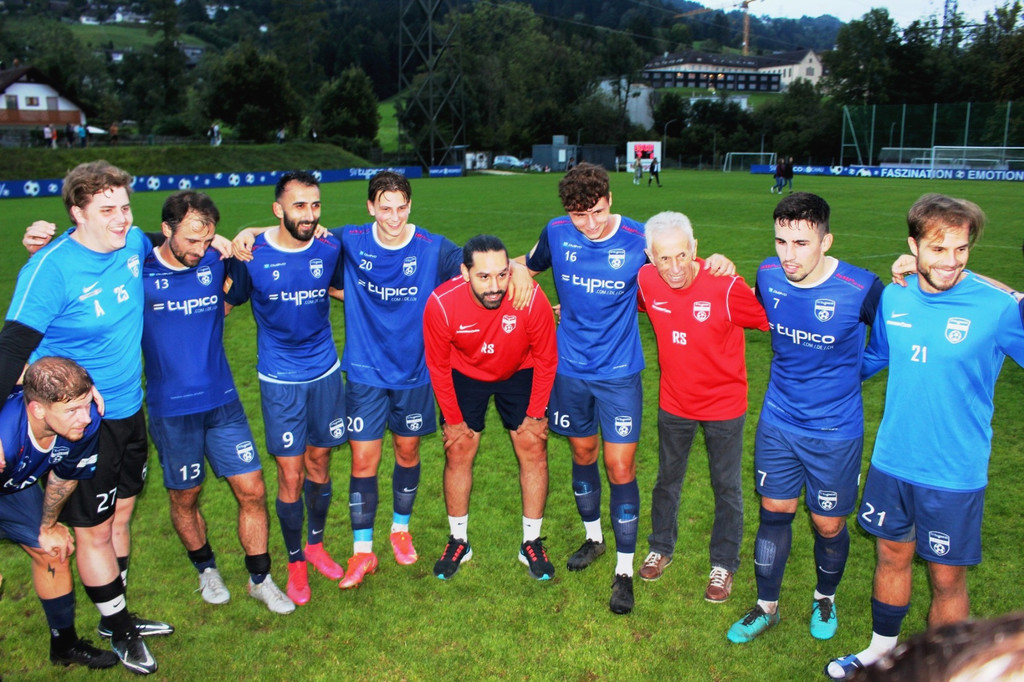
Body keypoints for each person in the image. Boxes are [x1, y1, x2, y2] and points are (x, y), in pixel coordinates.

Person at [513, 162, 734, 615]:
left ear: (610, 200)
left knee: (620, 466)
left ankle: (625, 569)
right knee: (583, 454)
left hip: (618, 373)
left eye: (597, 211)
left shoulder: (637, 239)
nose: (590, 224)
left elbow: (682, 271)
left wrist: (717, 263)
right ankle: (594, 538)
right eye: (579, 215)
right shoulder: (556, 232)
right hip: (570, 370)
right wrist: (503, 268)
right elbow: (525, 266)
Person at [232, 171, 466, 590]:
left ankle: (400, 529)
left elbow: (479, 265)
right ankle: (362, 552)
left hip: (415, 371)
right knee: (362, 462)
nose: (393, 217)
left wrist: (518, 271)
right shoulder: (348, 240)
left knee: (408, 452)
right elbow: (296, 232)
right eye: (385, 208)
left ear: (410, 206)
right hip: (363, 372)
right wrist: (248, 233)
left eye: (401, 208)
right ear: (370, 207)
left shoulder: (433, 246)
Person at [825, 194, 1024, 679]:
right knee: (890, 555)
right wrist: (818, 376)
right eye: (938, 249)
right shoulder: (895, 296)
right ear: (913, 246)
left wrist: (1013, 295)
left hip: (953, 472)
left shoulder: (997, 308)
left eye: (961, 249)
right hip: (892, 460)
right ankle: (880, 652)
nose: (952, 261)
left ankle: (948, 670)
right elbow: (875, 357)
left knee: (946, 578)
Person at [4, 161, 172, 675]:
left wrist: (234, 239)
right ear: (77, 213)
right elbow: (10, 351)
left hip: (130, 408)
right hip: (82, 424)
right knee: (93, 531)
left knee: (120, 516)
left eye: (125, 207)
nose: (122, 219)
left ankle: (112, 614)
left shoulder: (131, 244)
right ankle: (120, 632)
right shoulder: (49, 270)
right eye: (107, 210)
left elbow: (158, 240)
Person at [727, 192, 883, 645]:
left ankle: (824, 597)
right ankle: (766, 607)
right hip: (778, 421)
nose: (788, 255)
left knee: (827, 522)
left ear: (825, 242)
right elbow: (751, 309)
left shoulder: (862, 288)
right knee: (774, 512)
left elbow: (883, 348)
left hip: (834, 431)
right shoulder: (768, 274)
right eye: (781, 241)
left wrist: (845, 378)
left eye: (800, 243)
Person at [141, 191, 294, 614]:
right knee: (185, 497)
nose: (200, 249)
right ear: (166, 230)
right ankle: (206, 568)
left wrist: (242, 234)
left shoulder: (215, 259)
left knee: (252, 489)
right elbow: (95, 246)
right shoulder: (137, 268)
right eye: (192, 239)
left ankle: (260, 579)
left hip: (222, 403)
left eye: (207, 239)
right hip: (172, 410)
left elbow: (278, 236)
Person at [224, 171, 347, 606]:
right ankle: (295, 563)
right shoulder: (251, 254)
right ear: (278, 209)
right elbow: (223, 303)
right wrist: (243, 234)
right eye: (299, 206)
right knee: (290, 475)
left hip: (326, 372)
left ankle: (315, 545)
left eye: (315, 205)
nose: (309, 215)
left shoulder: (330, 247)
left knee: (320, 464)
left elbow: (345, 288)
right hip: (280, 381)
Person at [635, 212, 768, 603]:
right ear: (650, 257)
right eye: (664, 258)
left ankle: (723, 564)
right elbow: (636, 304)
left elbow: (768, 317)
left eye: (682, 255)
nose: (675, 267)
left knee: (727, 487)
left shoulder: (725, 285)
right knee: (666, 480)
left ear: (695, 247)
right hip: (674, 402)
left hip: (724, 406)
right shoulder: (646, 281)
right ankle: (660, 547)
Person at [423, 235, 558, 581]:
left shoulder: (529, 297)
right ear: (464, 273)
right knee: (459, 450)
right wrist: (453, 421)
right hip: (466, 371)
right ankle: (458, 540)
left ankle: (531, 542)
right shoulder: (441, 304)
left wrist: (536, 414)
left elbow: (547, 358)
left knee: (533, 446)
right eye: (483, 277)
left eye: (501, 274)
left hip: (520, 368)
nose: (495, 286)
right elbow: (438, 366)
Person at [0, 357, 115, 670]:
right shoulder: (6, 439)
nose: (85, 417)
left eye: (86, 404)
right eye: (72, 410)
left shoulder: (86, 423)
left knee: (53, 550)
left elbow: (63, 479)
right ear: (38, 409)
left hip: (13, 486)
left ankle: (64, 645)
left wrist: (48, 526)